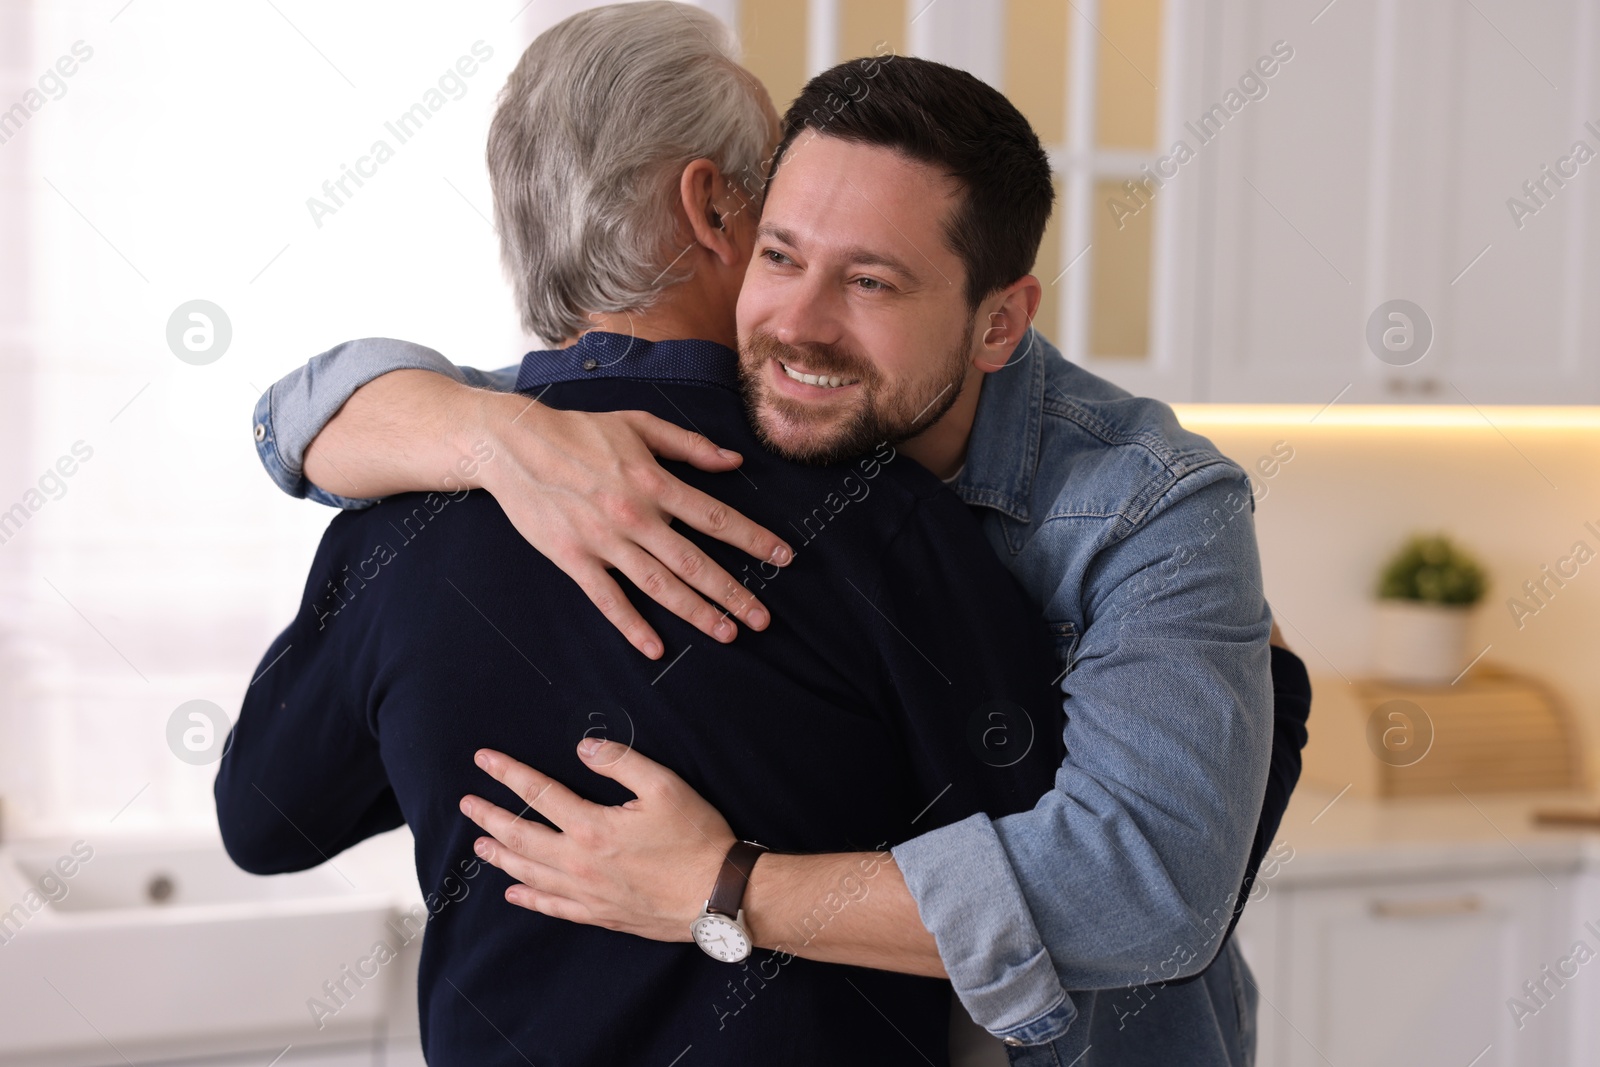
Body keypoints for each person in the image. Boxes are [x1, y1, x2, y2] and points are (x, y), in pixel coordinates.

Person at [249, 12, 1313, 1067]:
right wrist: (484, 435)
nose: (797, 324)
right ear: (721, 221)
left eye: (870, 281)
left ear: (998, 320)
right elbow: (296, 418)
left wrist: (716, 886)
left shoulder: (1139, 505)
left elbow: (1143, 891)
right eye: (780, 251)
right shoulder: (547, 454)